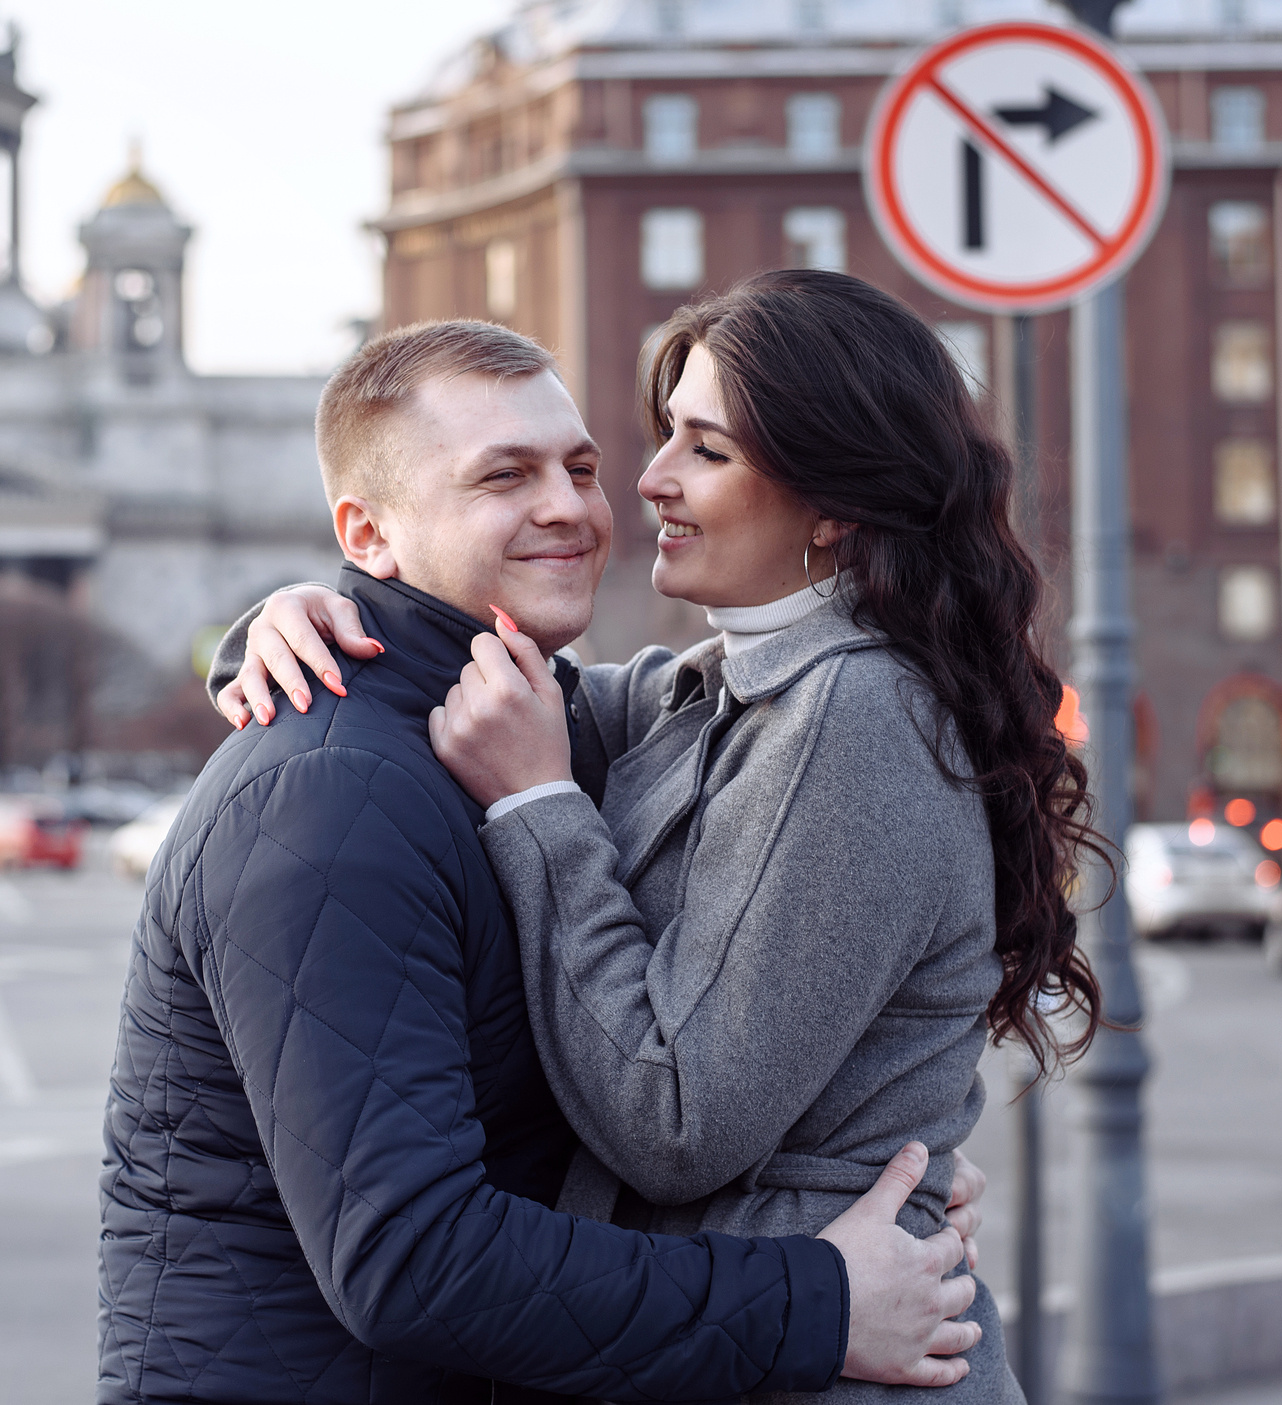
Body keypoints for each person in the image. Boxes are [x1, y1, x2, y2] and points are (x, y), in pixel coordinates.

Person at [222, 271, 1106, 1404]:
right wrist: (298, 618)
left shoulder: (851, 712)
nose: (648, 480)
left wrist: (538, 810)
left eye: (707, 449)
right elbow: (484, 686)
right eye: (664, 436)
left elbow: (674, 1120)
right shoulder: (724, 685)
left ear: (832, 504)